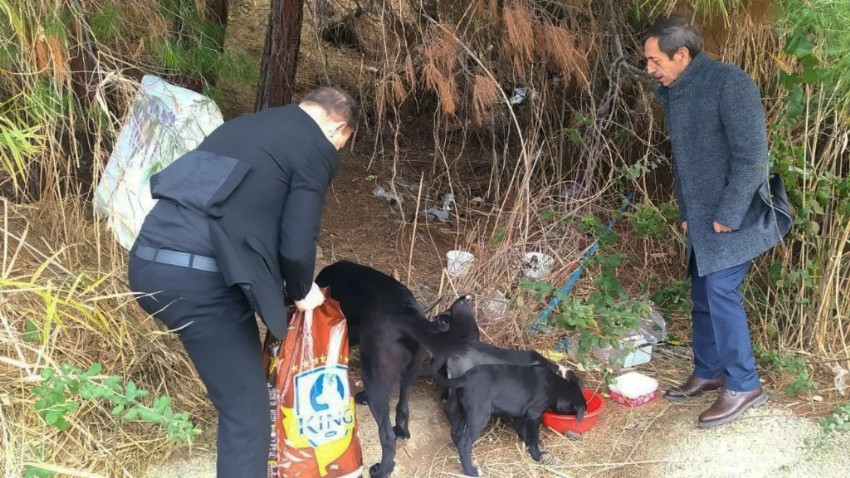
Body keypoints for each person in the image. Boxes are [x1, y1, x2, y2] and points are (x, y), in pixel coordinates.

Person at [127, 86, 357, 476]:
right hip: (200, 280)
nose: (335, 150)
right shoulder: (314, 145)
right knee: (246, 412)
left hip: (148, 265)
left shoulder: (242, 129)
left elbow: (230, 211)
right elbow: (297, 241)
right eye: (341, 143)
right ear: (337, 128)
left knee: (238, 387)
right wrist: (302, 291)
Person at [643, 15, 789, 427]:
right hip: (703, 217)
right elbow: (686, 165)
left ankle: (744, 384)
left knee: (722, 290)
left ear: (682, 54)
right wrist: (689, 214)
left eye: (655, 61)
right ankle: (708, 371)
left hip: (736, 213)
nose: (651, 69)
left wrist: (728, 214)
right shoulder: (678, 91)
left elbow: (752, 158)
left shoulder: (730, 83)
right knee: (704, 291)